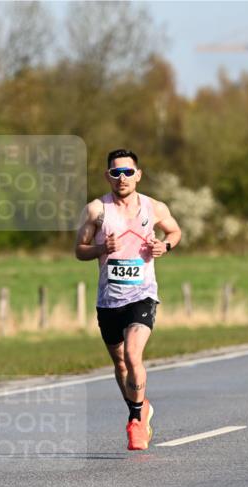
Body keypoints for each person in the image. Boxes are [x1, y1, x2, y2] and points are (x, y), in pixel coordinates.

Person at [74, 148, 182, 450]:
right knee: (121, 364)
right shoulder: (96, 210)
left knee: (134, 355)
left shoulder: (153, 207)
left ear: (138, 175)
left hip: (142, 295)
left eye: (128, 172)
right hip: (109, 301)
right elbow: (79, 250)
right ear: (107, 176)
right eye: (115, 172)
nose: (122, 178)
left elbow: (174, 231)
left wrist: (165, 246)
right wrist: (101, 249)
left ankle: (135, 421)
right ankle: (141, 408)